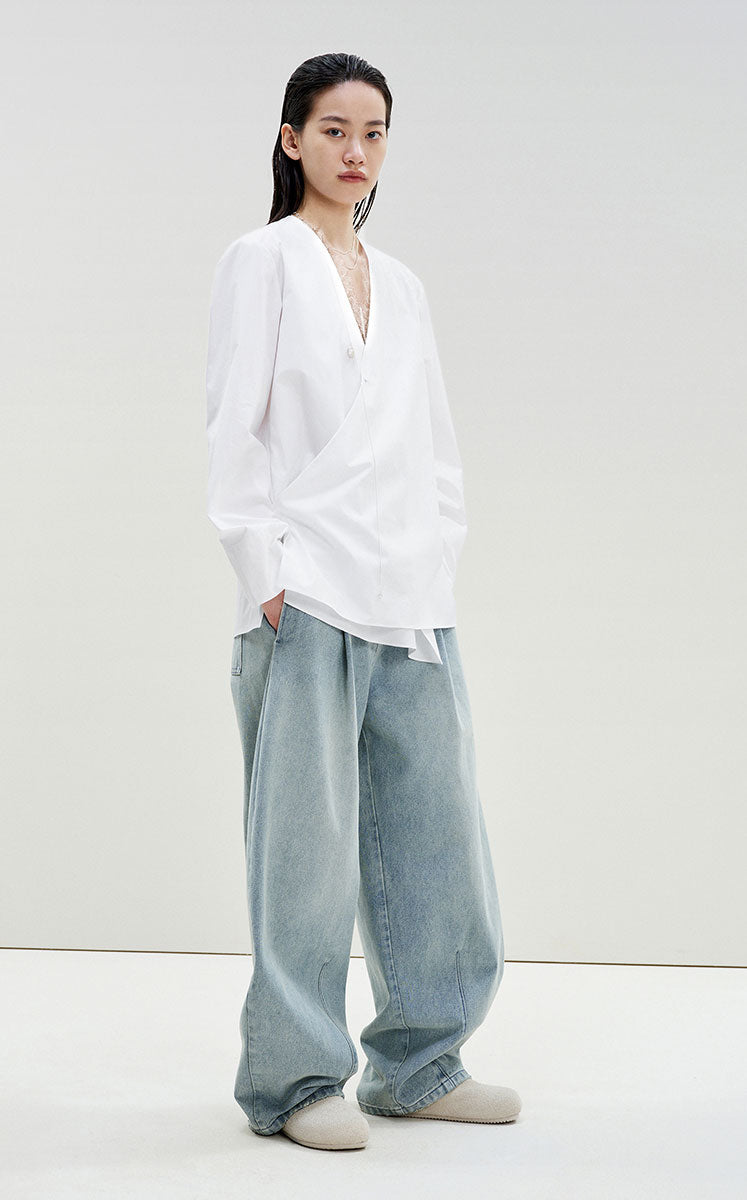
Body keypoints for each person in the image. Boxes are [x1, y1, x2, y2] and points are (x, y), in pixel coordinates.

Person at [205, 51, 522, 1152]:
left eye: (374, 132)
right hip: (306, 592)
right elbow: (234, 424)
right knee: (304, 854)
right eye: (335, 130)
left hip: (409, 598)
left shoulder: (406, 285)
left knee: (437, 834)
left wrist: (441, 564)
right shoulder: (262, 260)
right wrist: (266, 576)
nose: (355, 152)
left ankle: (422, 1065)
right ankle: (295, 1082)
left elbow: (433, 442)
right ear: (292, 138)